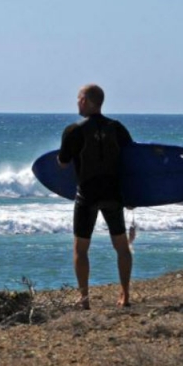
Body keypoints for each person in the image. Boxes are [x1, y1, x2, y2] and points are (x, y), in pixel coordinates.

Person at [57, 84, 133, 309]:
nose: (77, 102)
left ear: (86, 101)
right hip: (113, 194)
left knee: (81, 249)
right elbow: (132, 159)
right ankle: (125, 296)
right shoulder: (117, 128)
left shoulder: (74, 131)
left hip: (87, 196)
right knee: (121, 246)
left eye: (79, 98)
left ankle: (84, 299)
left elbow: (62, 162)